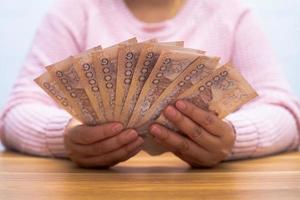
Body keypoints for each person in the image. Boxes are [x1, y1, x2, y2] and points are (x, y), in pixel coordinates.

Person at [0, 0, 299, 168]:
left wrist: (233, 139)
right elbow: (16, 111)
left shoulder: (231, 14)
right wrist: (64, 137)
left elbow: (284, 112)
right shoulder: (73, 12)